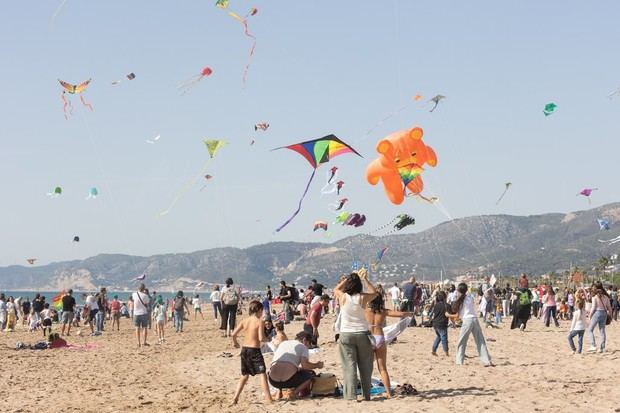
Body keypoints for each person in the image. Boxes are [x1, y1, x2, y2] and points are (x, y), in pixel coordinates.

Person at [334, 268, 378, 401]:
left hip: (346, 334)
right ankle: (366, 394)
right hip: (362, 333)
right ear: (359, 285)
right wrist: (365, 279)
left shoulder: (343, 297)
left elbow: (336, 289)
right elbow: (375, 292)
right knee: (365, 366)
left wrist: (348, 278)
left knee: (349, 366)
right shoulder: (362, 297)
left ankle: (350, 395)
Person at [364, 285, 413, 399]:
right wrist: (409, 313)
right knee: (382, 368)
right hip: (380, 338)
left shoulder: (366, 310)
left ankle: (366, 393)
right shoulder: (383, 311)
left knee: (367, 368)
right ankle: (389, 393)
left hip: (369, 338)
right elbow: (400, 314)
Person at [231, 300, 272, 405]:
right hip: (254, 350)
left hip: (244, 349)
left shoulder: (244, 320)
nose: (262, 313)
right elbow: (261, 338)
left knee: (244, 375)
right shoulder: (259, 321)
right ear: (259, 310)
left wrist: (235, 343)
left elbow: (233, 334)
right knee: (262, 374)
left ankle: (235, 397)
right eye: (262, 311)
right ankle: (269, 399)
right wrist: (268, 339)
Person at [268, 331, 324, 400]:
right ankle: (293, 393)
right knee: (309, 376)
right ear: (305, 340)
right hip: (287, 381)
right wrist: (317, 365)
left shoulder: (284, 343)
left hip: (273, 381)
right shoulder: (303, 347)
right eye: (309, 344)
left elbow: (282, 361)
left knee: (282, 369)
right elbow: (305, 366)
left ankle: (279, 391)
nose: (309, 347)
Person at [448, 283, 492, 367]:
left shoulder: (460, 300)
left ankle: (459, 361)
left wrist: (449, 314)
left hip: (467, 320)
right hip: (475, 319)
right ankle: (486, 360)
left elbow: (457, 314)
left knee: (462, 341)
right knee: (480, 341)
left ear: (459, 291)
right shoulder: (469, 298)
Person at [587, 282, 612, 353]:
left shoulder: (595, 297)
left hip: (597, 313)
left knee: (590, 330)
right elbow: (609, 307)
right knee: (602, 331)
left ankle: (593, 345)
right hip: (604, 313)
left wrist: (590, 316)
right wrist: (611, 315)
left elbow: (593, 308)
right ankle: (602, 348)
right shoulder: (606, 297)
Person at [430, 291, 450, 357]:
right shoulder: (447, 306)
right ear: (445, 297)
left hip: (435, 324)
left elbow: (433, 314)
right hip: (442, 324)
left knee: (439, 337)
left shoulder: (436, 305)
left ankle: (433, 350)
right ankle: (446, 352)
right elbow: (449, 315)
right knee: (444, 338)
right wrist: (453, 323)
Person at [132, 283, 150, 348]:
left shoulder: (134, 294)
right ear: (144, 289)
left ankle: (138, 342)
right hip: (144, 313)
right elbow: (147, 304)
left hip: (136, 313)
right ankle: (144, 342)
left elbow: (133, 299)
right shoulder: (145, 296)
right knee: (144, 328)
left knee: (137, 328)